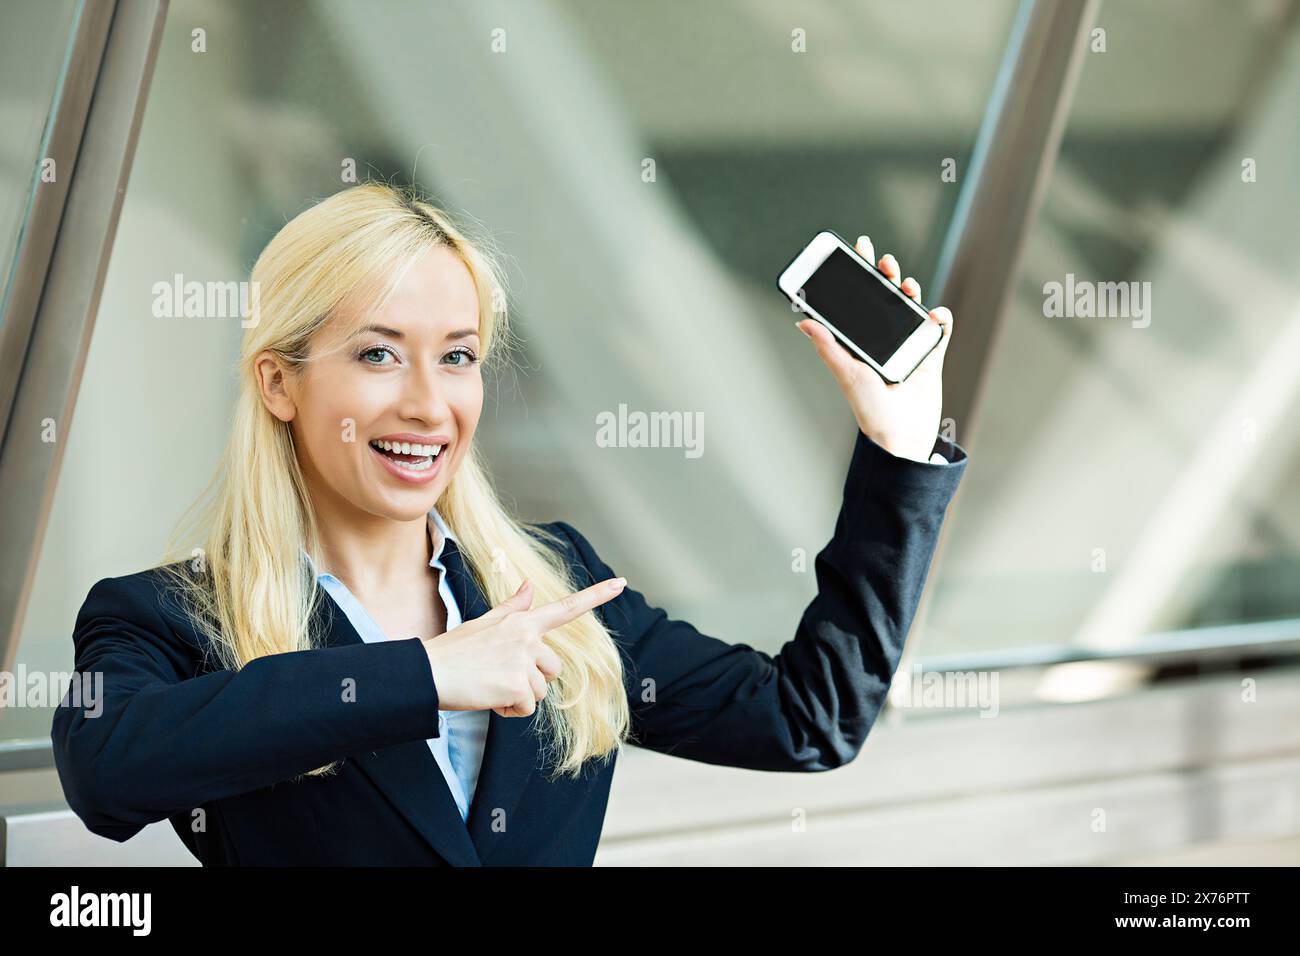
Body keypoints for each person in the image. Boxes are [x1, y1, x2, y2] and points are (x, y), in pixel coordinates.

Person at [51, 182, 968, 866]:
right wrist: (425, 673)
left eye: (457, 357)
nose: (427, 402)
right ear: (279, 381)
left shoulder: (553, 586)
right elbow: (106, 773)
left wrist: (899, 448)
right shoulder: (168, 618)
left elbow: (811, 719)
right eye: (378, 354)